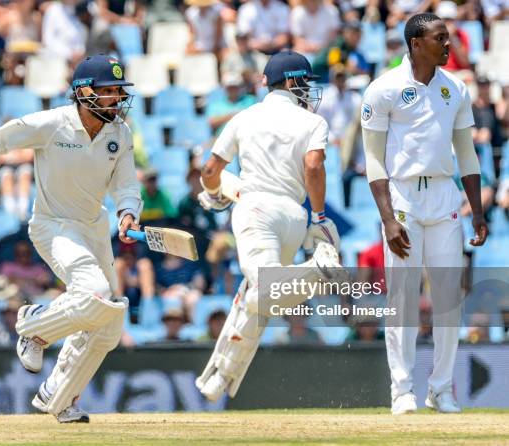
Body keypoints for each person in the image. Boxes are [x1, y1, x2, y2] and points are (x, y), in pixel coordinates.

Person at [0, 54, 141, 423]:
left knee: (109, 326)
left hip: (93, 226)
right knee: (95, 292)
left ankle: (60, 397)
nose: (117, 98)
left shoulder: (118, 133)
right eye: (109, 91)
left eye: (119, 91)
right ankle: (33, 327)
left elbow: (126, 186)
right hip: (52, 224)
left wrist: (127, 213)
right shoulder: (53, 123)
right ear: (84, 92)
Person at [195, 51, 347, 402]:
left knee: (264, 289)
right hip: (294, 216)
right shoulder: (313, 122)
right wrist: (320, 217)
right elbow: (313, 167)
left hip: (256, 209)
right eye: (305, 83)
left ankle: (315, 271)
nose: (308, 90)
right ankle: (221, 376)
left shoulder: (244, 117)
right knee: (259, 298)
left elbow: (209, 172)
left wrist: (215, 193)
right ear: (293, 82)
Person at [360, 13, 488, 415]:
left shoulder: (456, 88)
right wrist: (388, 218)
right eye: (440, 39)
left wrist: (478, 214)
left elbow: (466, 155)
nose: (448, 45)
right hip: (402, 200)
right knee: (403, 299)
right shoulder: (384, 89)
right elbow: (372, 159)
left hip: (445, 199)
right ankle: (401, 390)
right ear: (416, 44)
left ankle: (442, 389)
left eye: (448, 38)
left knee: (450, 298)